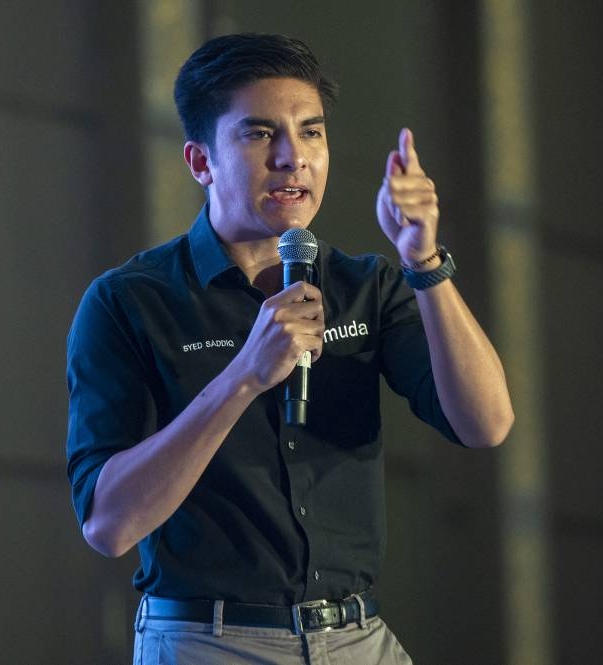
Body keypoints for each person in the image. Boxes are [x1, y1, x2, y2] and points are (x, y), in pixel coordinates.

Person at [66, 32, 513, 665]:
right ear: (199, 162)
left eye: (311, 133)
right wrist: (244, 376)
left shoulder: (367, 287)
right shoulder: (130, 301)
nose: (292, 158)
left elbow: (487, 423)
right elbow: (108, 525)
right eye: (258, 134)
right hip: (207, 642)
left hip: (360, 639)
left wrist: (424, 263)